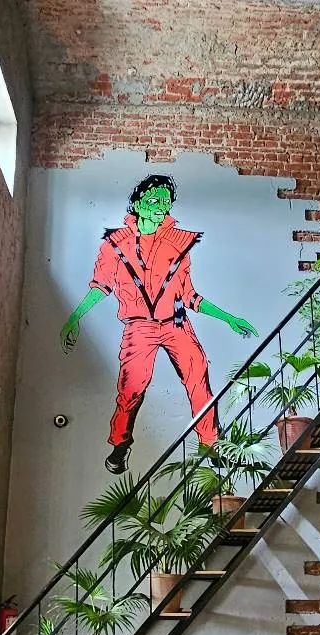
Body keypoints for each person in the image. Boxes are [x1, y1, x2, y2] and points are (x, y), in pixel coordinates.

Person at [60, 174, 256, 473]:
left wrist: (229, 319)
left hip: (176, 323)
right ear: (137, 204)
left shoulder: (179, 245)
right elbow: (100, 286)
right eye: (153, 200)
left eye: (165, 201)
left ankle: (210, 443)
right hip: (139, 327)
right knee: (131, 387)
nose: (160, 207)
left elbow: (189, 295)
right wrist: (74, 317)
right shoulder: (114, 245)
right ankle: (120, 443)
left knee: (198, 375)